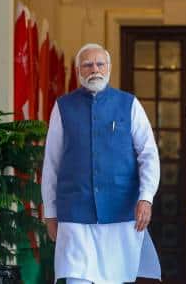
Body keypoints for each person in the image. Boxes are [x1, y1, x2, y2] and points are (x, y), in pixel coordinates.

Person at [41, 43, 161, 284]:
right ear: (78, 71)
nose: (94, 69)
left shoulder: (129, 104)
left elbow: (148, 154)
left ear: (109, 68)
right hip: (75, 213)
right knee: (76, 278)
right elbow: (51, 163)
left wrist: (146, 197)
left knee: (115, 278)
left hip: (120, 213)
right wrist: (50, 213)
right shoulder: (63, 107)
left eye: (99, 64)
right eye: (87, 65)